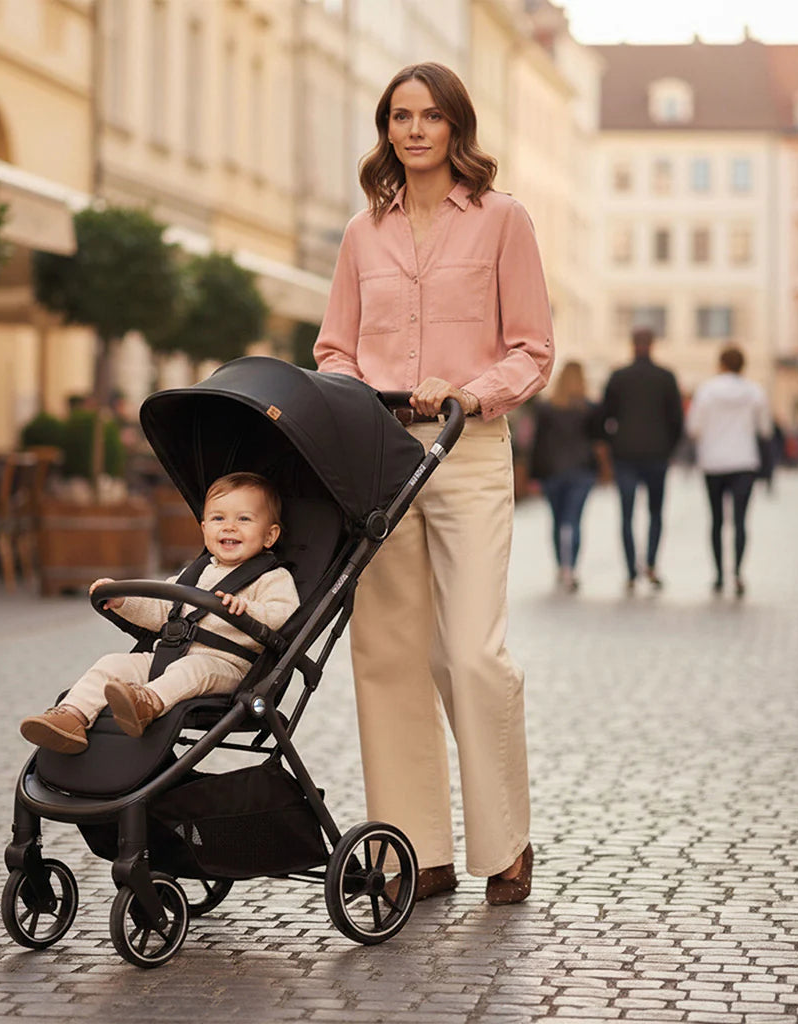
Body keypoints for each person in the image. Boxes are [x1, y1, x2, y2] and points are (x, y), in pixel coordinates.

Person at [314, 62, 554, 904]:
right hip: (378, 455)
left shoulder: (502, 221)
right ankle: (418, 851)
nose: (414, 130)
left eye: (430, 116)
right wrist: (346, 388)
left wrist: (470, 392)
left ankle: (506, 843)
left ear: (457, 126)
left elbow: (531, 347)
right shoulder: (361, 233)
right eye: (399, 116)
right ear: (386, 128)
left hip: (467, 449)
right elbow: (333, 347)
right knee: (385, 653)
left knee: (470, 652)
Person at [19, 472, 299, 751]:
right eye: (218, 519)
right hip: (170, 657)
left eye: (244, 519)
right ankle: (71, 716)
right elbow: (162, 609)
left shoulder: (272, 577)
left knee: (193, 669)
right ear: (204, 529)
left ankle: (147, 703)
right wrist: (124, 602)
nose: (229, 527)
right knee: (112, 664)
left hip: (228, 668)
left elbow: (286, 616)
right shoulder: (195, 572)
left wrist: (249, 610)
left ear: (270, 536)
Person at [685, 346, 772, 597]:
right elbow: (765, 429)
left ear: (720, 363)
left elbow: (694, 427)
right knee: (741, 521)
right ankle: (738, 572)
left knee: (716, 521)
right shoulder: (754, 392)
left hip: (713, 462)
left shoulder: (707, 391)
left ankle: (719, 574)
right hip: (744, 461)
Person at [601, 327, 683, 592]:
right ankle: (651, 564)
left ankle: (629, 571)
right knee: (655, 513)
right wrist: (668, 448)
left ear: (632, 344)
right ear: (653, 344)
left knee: (626, 515)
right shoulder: (666, 377)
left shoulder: (618, 377)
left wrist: (613, 444)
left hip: (625, 455)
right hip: (657, 455)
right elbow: (677, 421)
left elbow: (604, 417)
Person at [529, 361, 605, 592]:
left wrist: (534, 475)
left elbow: (538, 444)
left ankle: (561, 566)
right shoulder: (589, 408)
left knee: (557, 520)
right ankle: (571, 567)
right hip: (581, 471)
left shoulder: (546, 408)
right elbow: (597, 441)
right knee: (574, 521)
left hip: (552, 471)